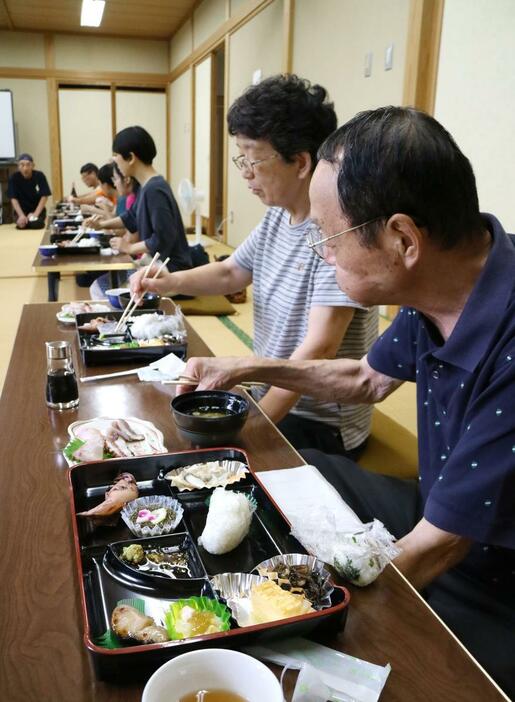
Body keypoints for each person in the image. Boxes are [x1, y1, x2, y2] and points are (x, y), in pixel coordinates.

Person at [175, 106, 515, 698]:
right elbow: (365, 380)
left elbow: (443, 542)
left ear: (403, 238)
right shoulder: (442, 283)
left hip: (494, 572)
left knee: (398, 674)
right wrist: (244, 365)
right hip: (439, 511)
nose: (320, 252)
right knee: (304, 473)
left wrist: (298, 605)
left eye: (327, 235)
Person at [131, 75, 378, 458]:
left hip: (318, 420)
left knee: (190, 452)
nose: (244, 171)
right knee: (165, 415)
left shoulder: (336, 231)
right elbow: (231, 272)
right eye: (240, 157)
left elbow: (320, 347)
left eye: (252, 158)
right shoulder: (279, 217)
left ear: (299, 161)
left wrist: (257, 428)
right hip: (267, 393)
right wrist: (166, 282)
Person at [87, 126, 192, 274]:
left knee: (102, 288)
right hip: (157, 263)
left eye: (117, 155)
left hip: (172, 269)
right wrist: (101, 224)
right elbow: (131, 217)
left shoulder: (154, 189)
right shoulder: (146, 187)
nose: (115, 161)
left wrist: (129, 248)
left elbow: (162, 238)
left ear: (131, 158)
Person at [7, 153, 51, 229]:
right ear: (18, 166)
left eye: (28, 165)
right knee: (21, 224)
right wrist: (21, 215)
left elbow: (44, 196)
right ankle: (24, 221)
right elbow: (13, 199)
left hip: (37, 210)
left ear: (33, 166)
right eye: (22, 165)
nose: (25, 168)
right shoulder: (14, 178)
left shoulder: (39, 176)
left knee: (36, 224)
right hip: (21, 210)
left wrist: (35, 214)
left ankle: (30, 221)